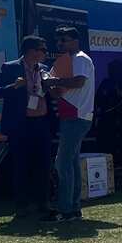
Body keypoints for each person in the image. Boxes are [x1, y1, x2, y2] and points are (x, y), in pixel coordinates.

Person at [0, 34, 55, 217]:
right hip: (21, 124)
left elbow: (49, 94)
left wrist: (51, 87)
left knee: (43, 165)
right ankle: (21, 205)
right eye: (42, 49)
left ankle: (44, 202)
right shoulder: (10, 68)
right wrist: (13, 86)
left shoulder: (44, 69)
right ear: (31, 51)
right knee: (21, 165)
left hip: (42, 122)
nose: (45, 53)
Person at [46, 27, 95, 222]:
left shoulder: (80, 58)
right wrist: (50, 85)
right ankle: (73, 209)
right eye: (58, 41)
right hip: (72, 115)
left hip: (77, 116)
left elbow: (79, 82)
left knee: (63, 163)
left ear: (75, 40)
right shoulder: (69, 60)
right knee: (71, 163)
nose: (60, 44)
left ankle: (65, 209)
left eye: (64, 40)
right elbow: (60, 92)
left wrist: (53, 81)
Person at [94, 60, 122, 187]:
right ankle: (112, 179)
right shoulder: (107, 84)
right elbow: (98, 101)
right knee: (111, 151)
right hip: (111, 125)